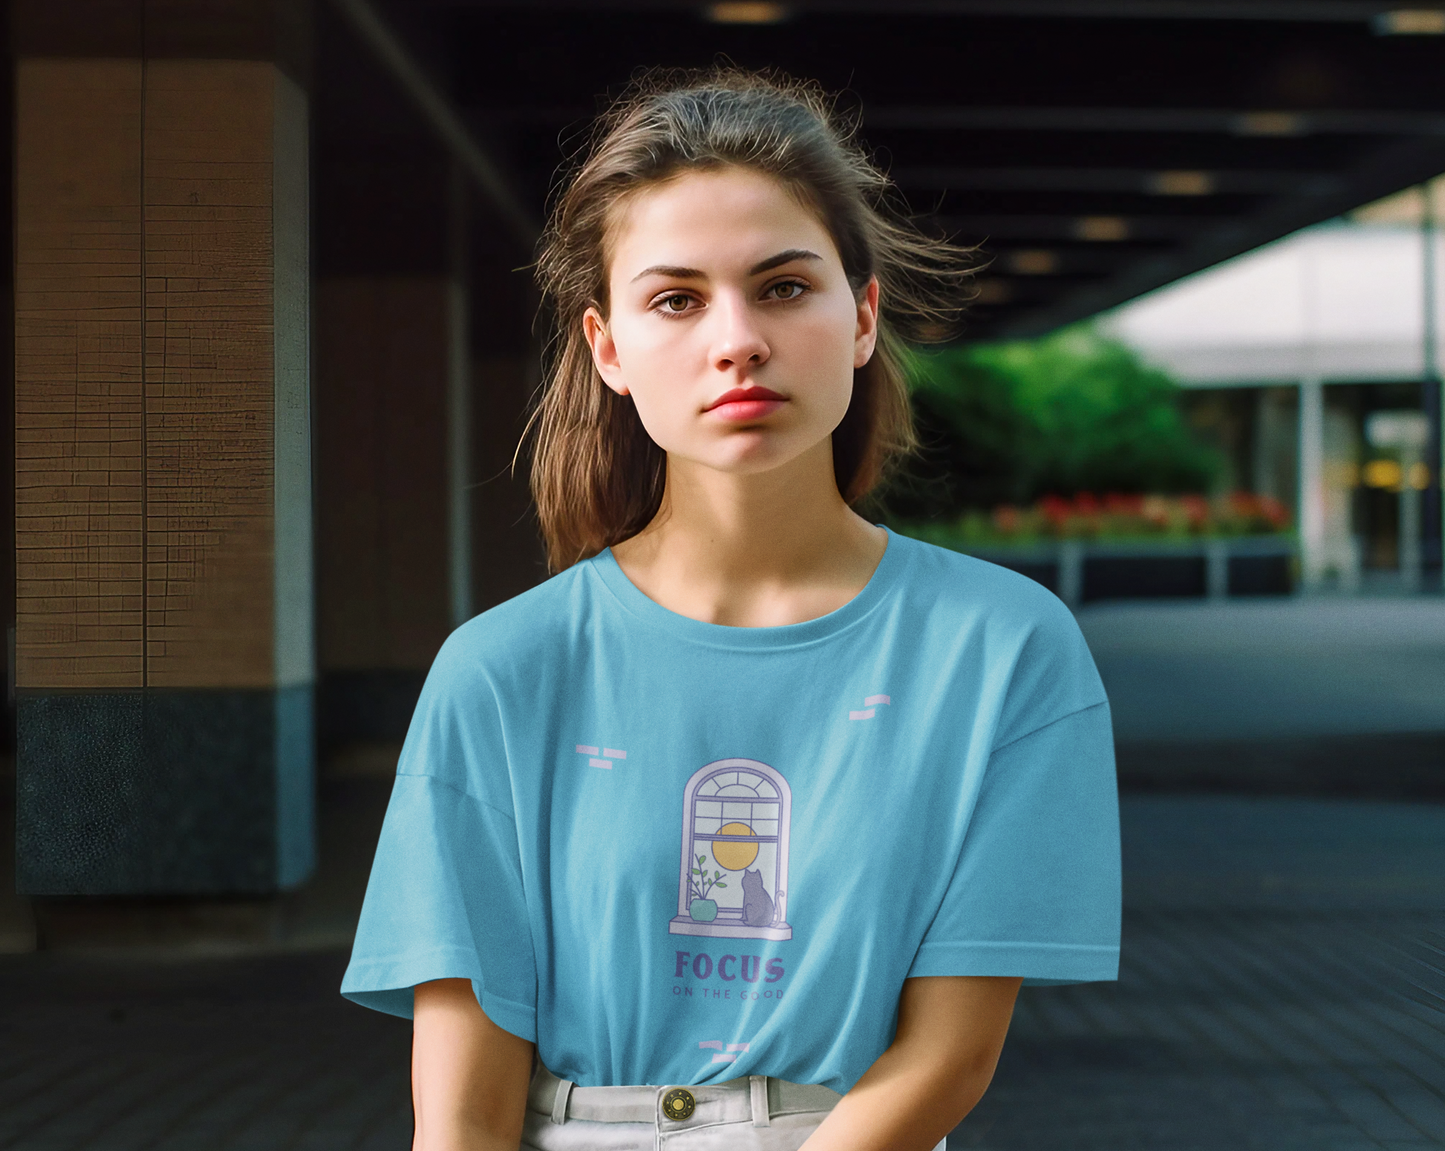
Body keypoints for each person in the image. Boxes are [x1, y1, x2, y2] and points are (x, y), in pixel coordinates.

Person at [341, 69, 1120, 1151]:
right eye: (675, 298)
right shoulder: (502, 667)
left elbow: (947, 1056)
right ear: (606, 346)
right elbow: (461, 1113)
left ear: (861, 316)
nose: (736, 339)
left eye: (784, 286)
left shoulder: (1001, 648)